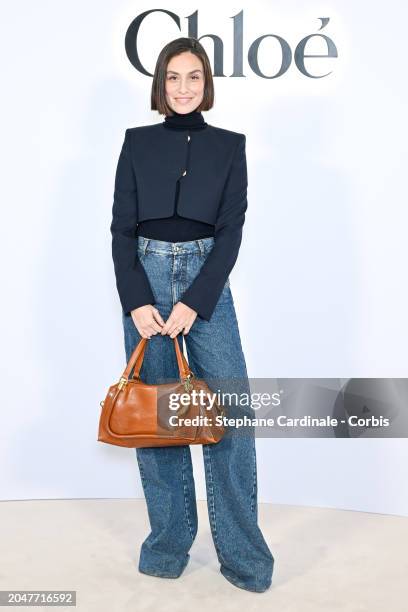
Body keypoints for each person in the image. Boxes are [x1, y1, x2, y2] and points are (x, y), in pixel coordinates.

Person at [110, 36, 274, 593]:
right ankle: (166, 548)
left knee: (227, 418)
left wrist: (194, 302)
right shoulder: (136, 143)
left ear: (208, 85)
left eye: (194, 77)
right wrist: (138, 299)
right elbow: (121, 229)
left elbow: (231, 233)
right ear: (161, 84)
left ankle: (246, 559)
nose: (184, 88)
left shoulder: (231, 146)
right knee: (159, 424)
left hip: (205, 286)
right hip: (147, 285)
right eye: (174, 77)